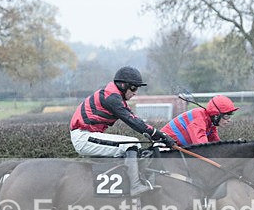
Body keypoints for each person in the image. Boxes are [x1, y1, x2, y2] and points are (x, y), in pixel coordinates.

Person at [70, 66, 177, 196]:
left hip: (88, 135)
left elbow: (136, 120)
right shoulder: (112, 98)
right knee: (131, 144)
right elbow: (132, 121)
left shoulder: (115, 96)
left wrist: (158, 135)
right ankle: (135, 186)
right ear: (122, 85)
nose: (135, 92)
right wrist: (158, 134)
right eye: (134, 88)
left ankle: (133, 181)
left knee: (135, 145)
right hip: (83, 138)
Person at [161, 95, 238, 147]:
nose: (229, 120)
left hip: (175, 148)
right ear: (216, 115)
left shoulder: (210, 123)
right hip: (163, 147)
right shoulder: (199, 119)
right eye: (226, 116)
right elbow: (202, 148)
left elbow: (216, 143)